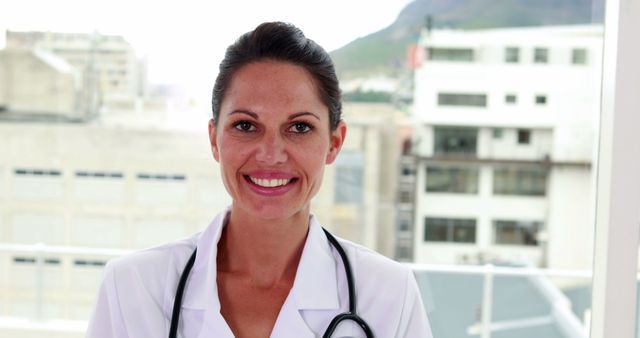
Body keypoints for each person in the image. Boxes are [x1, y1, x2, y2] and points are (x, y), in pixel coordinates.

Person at [86, 22, 433, 338]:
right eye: (245, 126)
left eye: (299, 127)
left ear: (334, 143)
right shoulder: (132, 288)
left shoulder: (389, 295)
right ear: (213, 139)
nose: (270, 154)